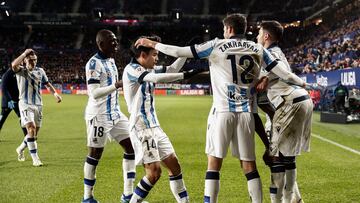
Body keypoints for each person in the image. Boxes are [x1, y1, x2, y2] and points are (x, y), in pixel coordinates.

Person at [135, 13, 306, 203]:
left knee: (214, 165)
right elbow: (285, 73)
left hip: (222, 112)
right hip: (246, 114)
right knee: (250, 166)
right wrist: (303, 83)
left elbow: (178, 52)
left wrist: (153, 44)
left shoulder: (216, 45)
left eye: (225, 29)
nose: (224, 32)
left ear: (230, 29)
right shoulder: (258, 48)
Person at [122, 35, 200, 203]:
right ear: (143, 55)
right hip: (141, 127)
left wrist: (186, 53)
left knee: (174, 166)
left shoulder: (148, 69)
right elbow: (156, 79)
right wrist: (186, 74)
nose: (157, 58)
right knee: (154, 173)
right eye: (154, 55)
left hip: (155, 126)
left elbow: (171, 69)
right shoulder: (131, 69)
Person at [256, 20, 312, 203]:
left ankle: (285, 200)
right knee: (285, 156)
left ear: (266, 36)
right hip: (297, 101)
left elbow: (276, 75)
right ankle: (295, 199)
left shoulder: (268, 54)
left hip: (290, 103)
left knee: (276, 157)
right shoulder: (277, 52)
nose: (256, 37)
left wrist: (262, 76)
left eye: (259, 33)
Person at [82, 29, 136, 203]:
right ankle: (87, 197)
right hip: (99, 115)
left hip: (115, 113)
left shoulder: (111, 60)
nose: (116, 44)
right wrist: (116, 85)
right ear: (101, 44)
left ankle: (128, 195)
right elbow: (94, 93)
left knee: (132, 147)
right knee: (95, 154)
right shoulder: (93, 64)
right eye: (112, 41)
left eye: (116, 40)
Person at [11, 49, 62, 166]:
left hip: (38, 105)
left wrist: (55, 94)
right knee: (31, 128)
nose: (33, 62)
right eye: (30, 59)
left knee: (34, 134)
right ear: (24, 61)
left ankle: (20, 149)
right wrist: (24, 53)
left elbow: (47, 84)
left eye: (35, 60)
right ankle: (35, 159)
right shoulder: (21, 71)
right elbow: (13, 64)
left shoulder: (40, 71)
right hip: (25, 104)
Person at [0, 68, 27, 138]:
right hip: (7, 102)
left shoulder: (18, 74)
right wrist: (9, 100)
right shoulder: (6, 75)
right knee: (2, 119)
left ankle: (27, 136)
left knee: (22, 118)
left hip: (17, 101)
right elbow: (3, 88)